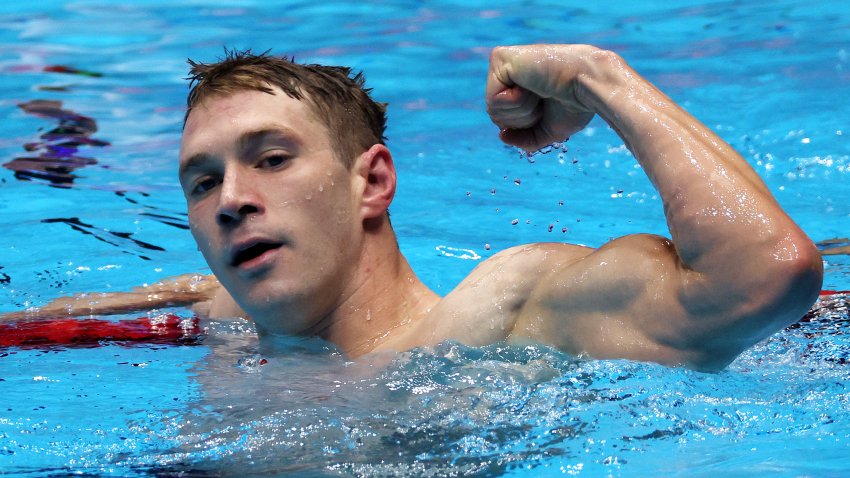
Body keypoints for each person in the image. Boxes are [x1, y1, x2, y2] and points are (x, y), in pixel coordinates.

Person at [3, 44, 823, 371]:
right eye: (202, 182)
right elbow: (147, 300)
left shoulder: (502, 318)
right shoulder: (226, 312)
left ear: (374, 182)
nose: (232, 202)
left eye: (271, 159)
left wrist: (595, 78)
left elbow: (763, 278)